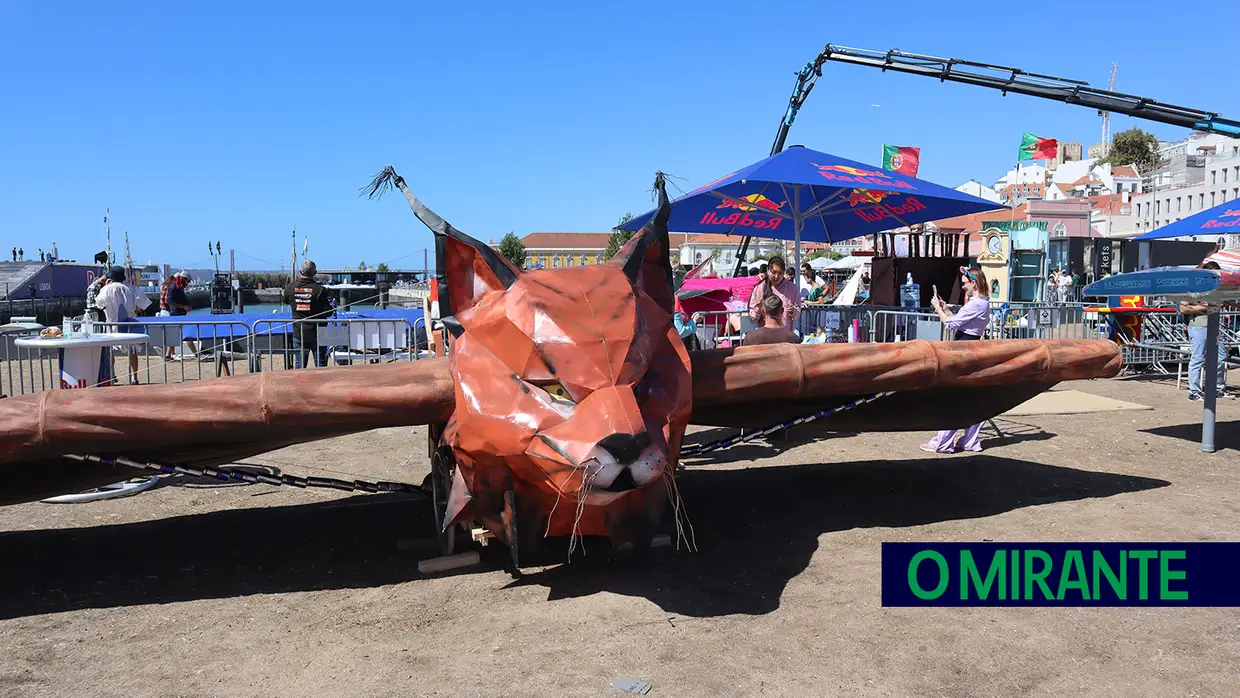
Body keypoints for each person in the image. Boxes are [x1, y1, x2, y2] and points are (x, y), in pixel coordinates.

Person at [920, 266, 993, 453]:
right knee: (970, 399)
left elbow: (951, 324)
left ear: (974, 283)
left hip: (963, 350)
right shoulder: (982, 302)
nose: (963, 287)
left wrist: (938, 309)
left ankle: (942, 442)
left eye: (964, 284)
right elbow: (960, 321)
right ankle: (968, 441)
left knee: (953, 398)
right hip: (969, 347)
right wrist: (946, 309)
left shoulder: (977, 303)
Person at [1181, 261, 1227, 401]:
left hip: (1214, 326)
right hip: (1199, 326)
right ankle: (1194, 391)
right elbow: (1183, 308)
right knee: (1198, 358)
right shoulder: (1195, 289)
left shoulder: (1217, 289)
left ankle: (1217, 388)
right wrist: (1205, 308)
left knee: (1220, 357)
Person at [95, 265, 143, 385]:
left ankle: (112, 375)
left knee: (110, 351)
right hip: (129, 322)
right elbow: (140, 307)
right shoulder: (131, 288)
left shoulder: (107, 289)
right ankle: (134, 377)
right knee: (132, 351)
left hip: (112, 323)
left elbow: (99, 304)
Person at [283, 259, 333, 368]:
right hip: (318, 332)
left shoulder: (290, 288)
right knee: (320, 365)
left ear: (300, 272)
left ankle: (299, 385)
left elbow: (285, 300)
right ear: (314, 273)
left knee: (300, 366)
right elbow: (329, 312)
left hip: (299, 332)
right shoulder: (320, 290)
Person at [747, 255, 799, 333]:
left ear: (784, 272)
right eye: (773, 272)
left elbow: (798, 310)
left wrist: (793, 311)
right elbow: (753, 317)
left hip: (784, 335)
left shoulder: (792, 288)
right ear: (768, 270)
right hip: (764, 335)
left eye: (780, 273)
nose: (776, 276)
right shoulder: (760, 288)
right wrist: (757, 309)